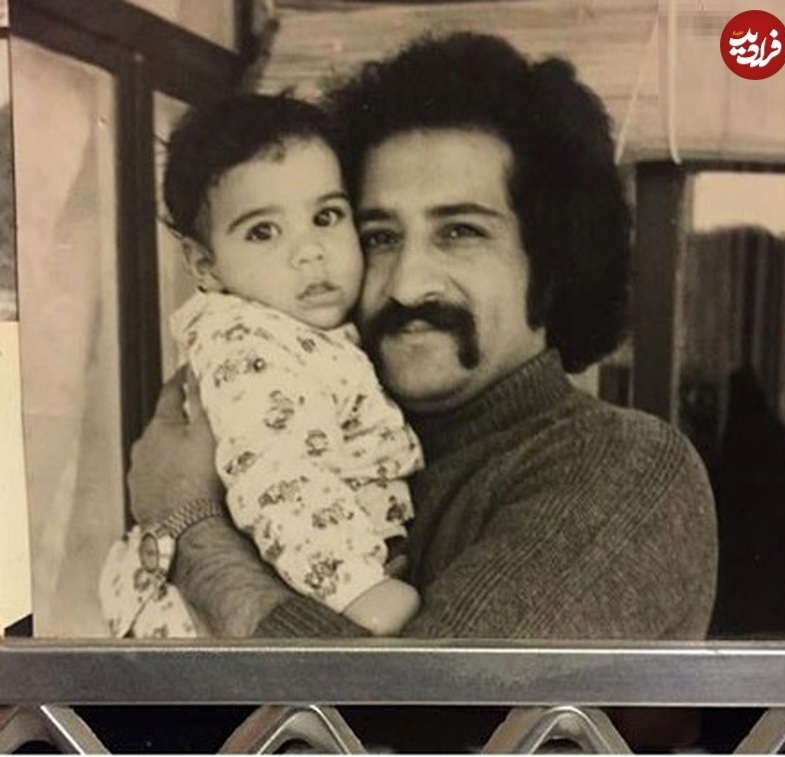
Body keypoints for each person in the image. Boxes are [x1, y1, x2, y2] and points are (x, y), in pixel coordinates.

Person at [129, 32, 717, 643]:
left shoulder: (623, 465)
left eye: (460, 232)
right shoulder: (322, 422)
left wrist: (190, 531)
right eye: (380, 237)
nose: (408, 285)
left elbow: (425, 704)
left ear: (552, 256)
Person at [100, 94, 423, 638]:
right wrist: (356, 588)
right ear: (205, 265)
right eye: (263, 231)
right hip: (204, 620)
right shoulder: (250, 346)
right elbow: (276, 476)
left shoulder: (305, 333)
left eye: (325, 216)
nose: (309, 252)